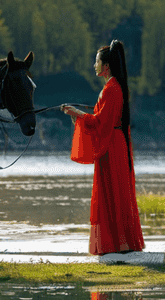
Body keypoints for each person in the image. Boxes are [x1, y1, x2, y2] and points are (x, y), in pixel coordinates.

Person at [61, 40, 145, 256]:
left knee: (111, 193)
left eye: (96, 62)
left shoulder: (112, 89)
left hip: (112, 146)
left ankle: (115, 246)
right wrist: (78, 114)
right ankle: (119, 245)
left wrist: (76, 113)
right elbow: (101, 119)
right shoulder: (113, 87)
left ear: (106, 65)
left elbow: (99, 123)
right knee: (114, 193)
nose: (94, 66)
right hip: (114, 144)